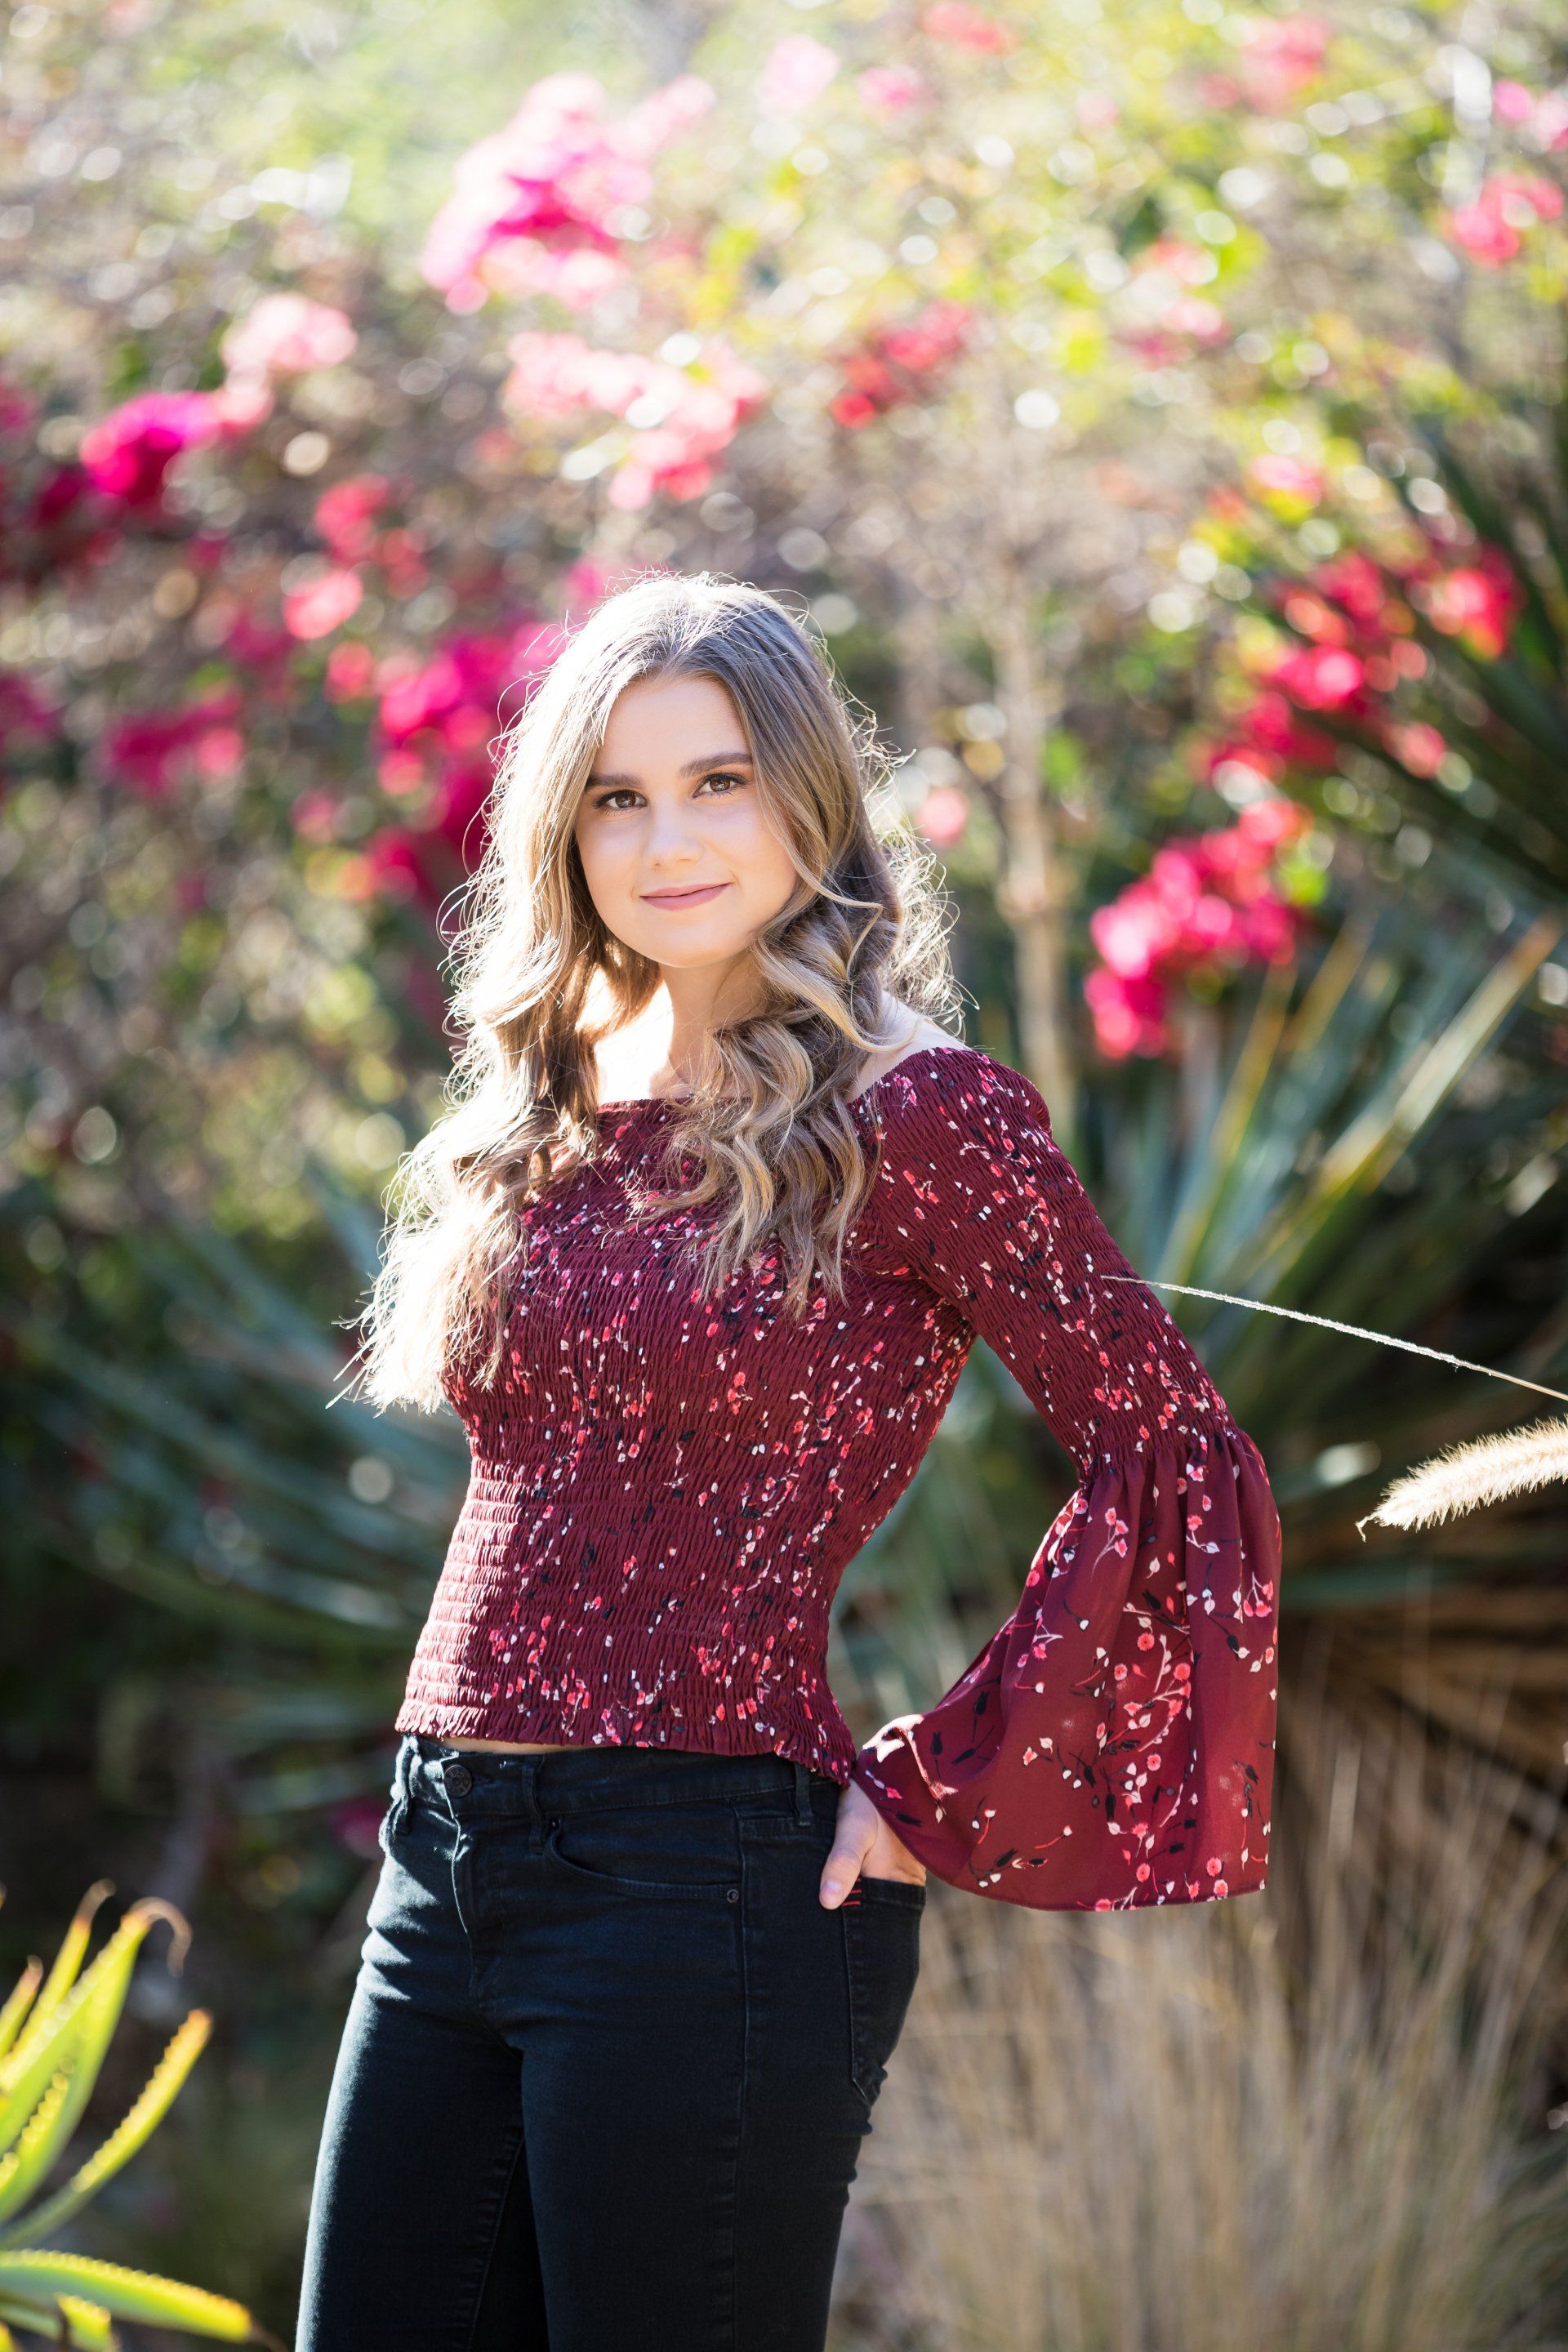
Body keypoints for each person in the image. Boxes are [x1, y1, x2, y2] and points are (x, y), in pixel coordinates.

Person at [295, 573, 1281, 2352]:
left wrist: (937, 1788)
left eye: (718, 781)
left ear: (811, 797)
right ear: (563, 830)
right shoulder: (549, 1100)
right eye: (615, 795)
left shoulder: (918, 1113)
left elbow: (1179, 1459)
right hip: (443, 1860)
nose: (665, 839)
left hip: (704, 1885)